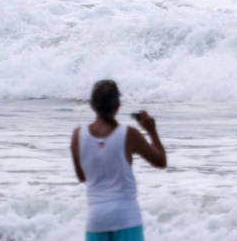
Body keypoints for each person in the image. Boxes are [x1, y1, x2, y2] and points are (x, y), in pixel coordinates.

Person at [71, 80, 167, 241]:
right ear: (118, 106)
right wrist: (152, 131)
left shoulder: (78, 135)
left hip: (97, 220)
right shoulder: (128, 134)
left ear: (92, 106)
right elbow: (161, 161)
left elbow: (82, 176)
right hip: (126, 218)